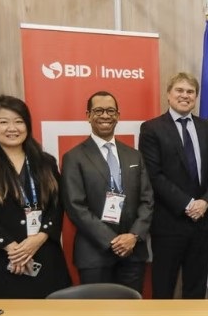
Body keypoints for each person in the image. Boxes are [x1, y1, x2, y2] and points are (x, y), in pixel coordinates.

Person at [0, 95, 70, 298]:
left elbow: (58, 205)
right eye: (3, 122)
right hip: (1, 258)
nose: (12, 128)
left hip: (43, 254)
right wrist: (12, 248)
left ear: (27, 126)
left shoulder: (46, 162)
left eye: (19, 121)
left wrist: (39, 238)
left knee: (51, 313)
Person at [139, 73, 208, 299]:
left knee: (196, 289)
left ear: (196, 97)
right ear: (168, 95)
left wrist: (205, 202)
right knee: (163, 289)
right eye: (179, 90)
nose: (185, 95)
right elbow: (154, 175)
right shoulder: (151, 129)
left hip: (202, 223)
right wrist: (187, 204)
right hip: (169, 223)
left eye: (190, 92)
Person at [61, 91, 153, 293]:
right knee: (97, 311)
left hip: (132, 252)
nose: (105, 115)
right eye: (98, 111)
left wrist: (133, 236)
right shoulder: (74, 157)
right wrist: (113, 241)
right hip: (95, 254)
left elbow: (147, 200)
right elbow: (75, 207)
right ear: (88, 115)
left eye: (110, 111)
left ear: (118, 116)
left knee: (131, 309)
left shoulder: (134, 156)